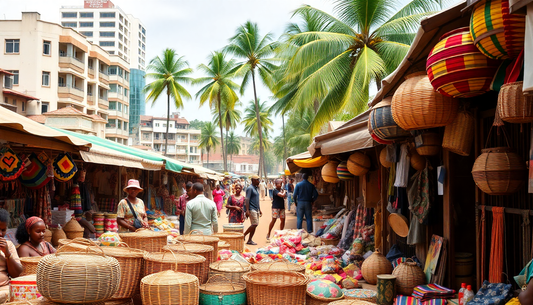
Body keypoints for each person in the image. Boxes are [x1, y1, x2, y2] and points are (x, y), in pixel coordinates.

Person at [0, 209, 22, 302]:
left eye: (3, 230)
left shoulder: (8, 245)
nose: (0, 234)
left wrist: (7, 254)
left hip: (4, 289)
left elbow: (17, 274)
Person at [244, 175, 262, 245]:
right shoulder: (250, 188)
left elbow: (257, 200)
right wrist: (247, 210)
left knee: (254, 225)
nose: (259, 181)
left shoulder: (256, 188)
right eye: (258, 180)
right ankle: (244, 235)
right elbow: (247, 199)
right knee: (255, 224)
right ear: (254, 180)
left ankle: (249, 240)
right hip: (251, 209)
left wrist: (259, 209)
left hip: (256, 209)